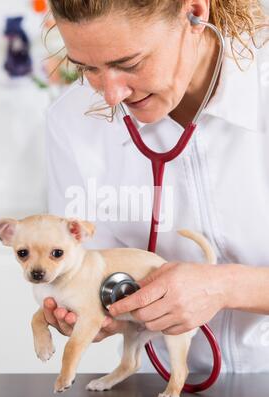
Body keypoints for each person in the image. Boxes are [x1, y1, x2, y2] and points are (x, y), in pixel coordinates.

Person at [44, 0, 269, 373]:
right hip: (160, 391)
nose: (111, 95)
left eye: (129, 64)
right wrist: (98, 309)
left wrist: (224, 286)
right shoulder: (71, 121)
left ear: (194, 12)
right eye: (88, 69)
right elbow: (91, 265)